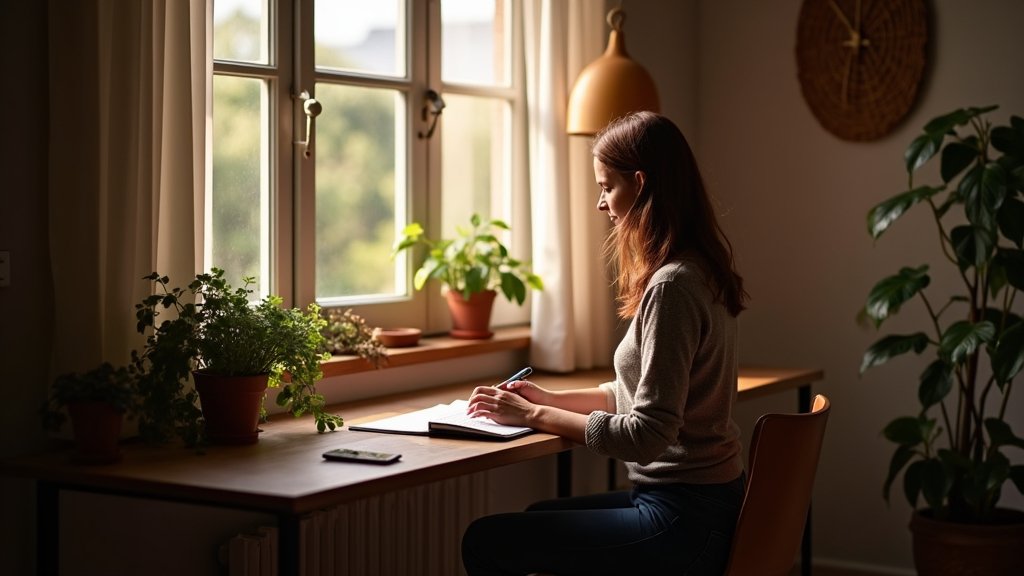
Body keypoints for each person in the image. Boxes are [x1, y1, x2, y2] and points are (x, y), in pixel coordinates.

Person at [461, 111, 750, 576]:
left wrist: (532, 416)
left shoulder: (673, 286)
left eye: (607, 186)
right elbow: (633, 395)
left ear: (640, 183)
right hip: (706, 504)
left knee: (487, 540)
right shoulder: (699, 270)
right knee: (536, 517)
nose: (601, 203)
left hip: (684, 521)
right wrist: (546, 398)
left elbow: (647, 435)